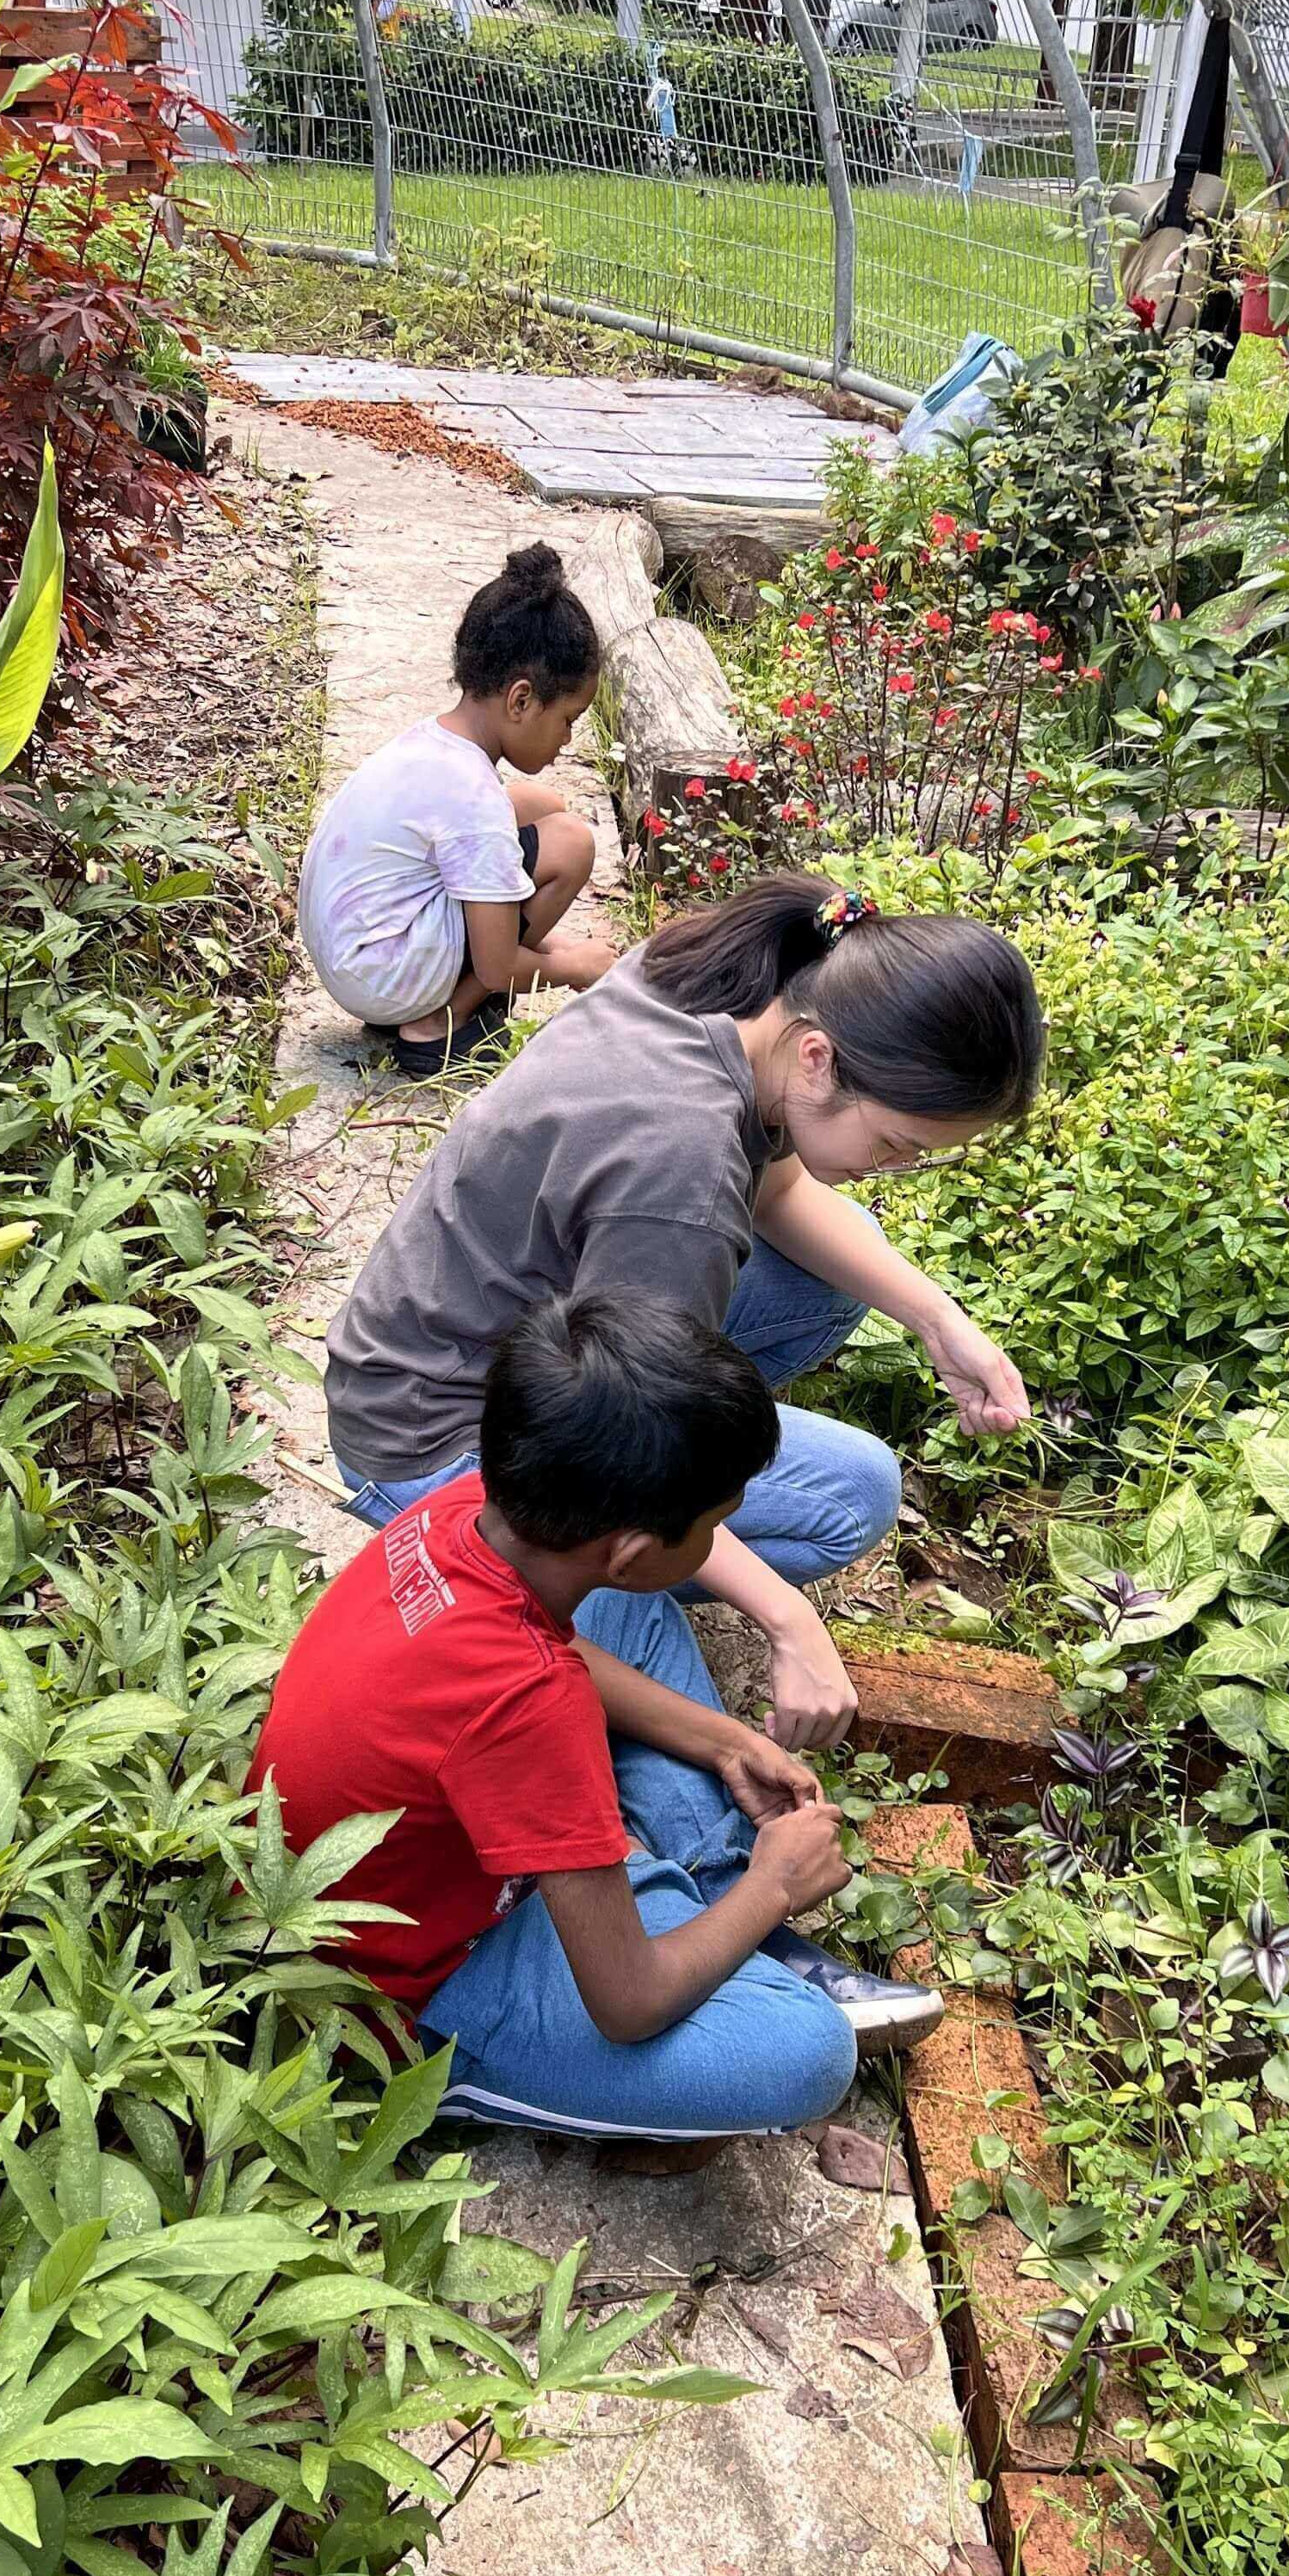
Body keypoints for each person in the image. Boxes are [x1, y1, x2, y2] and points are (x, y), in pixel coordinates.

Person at [324, 872, 1044, 1748]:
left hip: (467, 1337)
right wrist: (788, 1619)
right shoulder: (681, 1180)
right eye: (897, 1145)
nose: (894, 1168)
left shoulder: (738, 982)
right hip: (438, 1438)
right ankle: (535, 1584)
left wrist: (938, 1319)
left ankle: (642, 1574)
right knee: (835, 1521)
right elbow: (622, 1452)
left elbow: (777, 1184)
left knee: (837, 1284)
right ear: (817, 1057)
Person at [250, 1295, 942, 2145]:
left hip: (435, 1831)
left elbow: (544, 1656)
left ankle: (692, 1901)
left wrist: (722, 1737)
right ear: (631, 1549)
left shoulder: (454, 1508)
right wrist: (777, 1888)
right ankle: (472, 2073)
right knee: (807, 2054)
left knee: (629, 1619)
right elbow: (628, 2004)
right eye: (715, 1525)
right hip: (419, 1978)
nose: (723, 1538)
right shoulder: (526, 1705)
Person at [296, 541, 617, 1079]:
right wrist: (569, 966)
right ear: (520, 701)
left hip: (351, 955)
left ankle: (432, 993)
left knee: (545, 806)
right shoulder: (472, 798)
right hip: (384, 977)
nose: (567, 737)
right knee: (571, 843)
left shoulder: (434, 746)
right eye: (567, 718)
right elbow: (497, 966)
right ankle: (443, 1018)